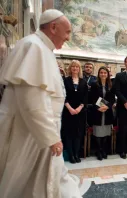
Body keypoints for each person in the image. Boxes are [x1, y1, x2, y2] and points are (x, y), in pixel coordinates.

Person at [0, 9, 81, 198]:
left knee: (52, 183)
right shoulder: (33, 47)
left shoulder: (43, 49)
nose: (68, 37)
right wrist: (50, 137)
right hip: (30, 134)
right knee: (24, 185)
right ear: (53, 27)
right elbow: (32, 100)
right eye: (67, 31)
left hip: (39, 133)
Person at [62, 60, 88, 164]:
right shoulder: (65, 80)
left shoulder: (83, 82)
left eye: (77, 67)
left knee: (78, 134)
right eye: (73, 67)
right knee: (69, 134)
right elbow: (63, 96)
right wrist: (70, 108)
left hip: (80, 112)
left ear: (79, 69)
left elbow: (86, 97)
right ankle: (71, 155)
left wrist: (79, 108)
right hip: (68, 111)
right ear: (70, 68)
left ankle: (77, 154)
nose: (75, 68)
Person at [90, 67, 115, 160]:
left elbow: (112, 99)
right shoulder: (94, 84)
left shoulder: (111, 85)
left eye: (105, 73)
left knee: (105, 132)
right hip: (98, 111)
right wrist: (99, 107)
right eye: (101, 72)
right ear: (98, 74)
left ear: (108, 74)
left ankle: (103, 149)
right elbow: (93, 98)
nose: (103, 74)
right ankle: (99, 150)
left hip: (107, 112)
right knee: (98, 132)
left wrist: (107, 106)